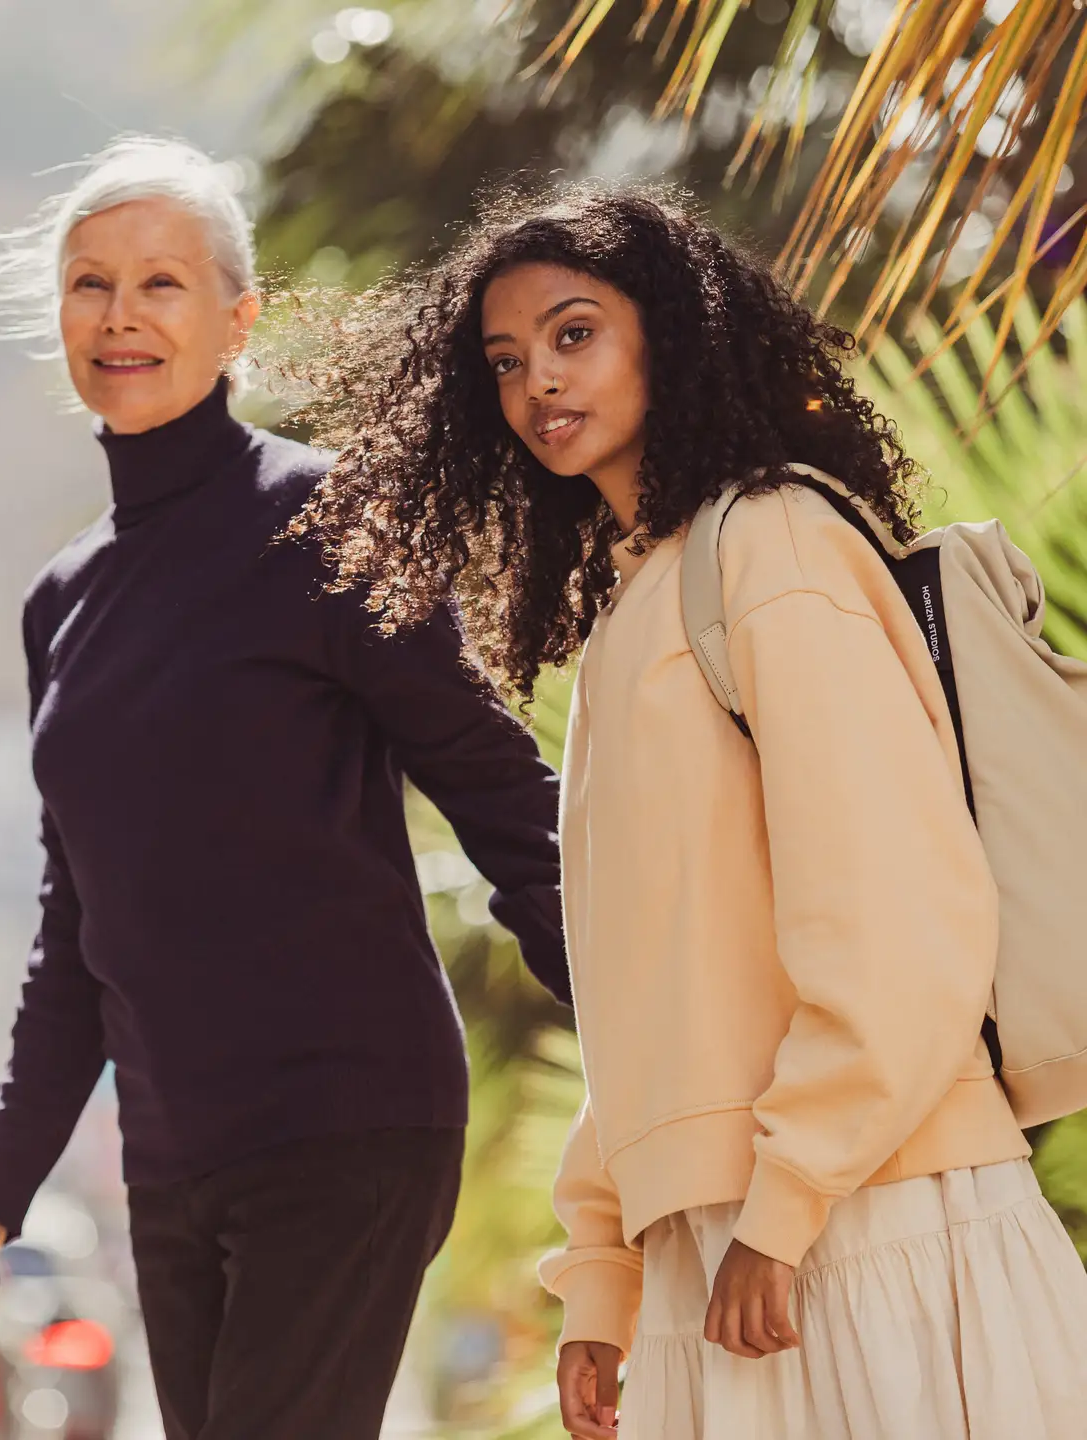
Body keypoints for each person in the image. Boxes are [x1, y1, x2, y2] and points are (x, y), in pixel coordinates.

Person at [293, 185, 1087, 1439]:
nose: (539, 383)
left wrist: (790, 1197)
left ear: (669, 332)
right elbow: (648, 991)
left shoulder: (772, 547)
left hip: (871, 1225)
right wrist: (603, 1274)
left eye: (574, 333)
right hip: (729, 1258)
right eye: (507, 361)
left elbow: (895, 909)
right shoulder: (633, 609)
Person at [0, 137, 571, 1440]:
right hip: (174, 1161)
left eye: (162, 283)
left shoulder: (332, 521)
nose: (122, 315)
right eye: (91, 284)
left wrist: (654, 1044)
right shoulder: (62, 601)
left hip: (348, 1118)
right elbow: (78, 932)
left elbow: (504, 799)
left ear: (237, 320)